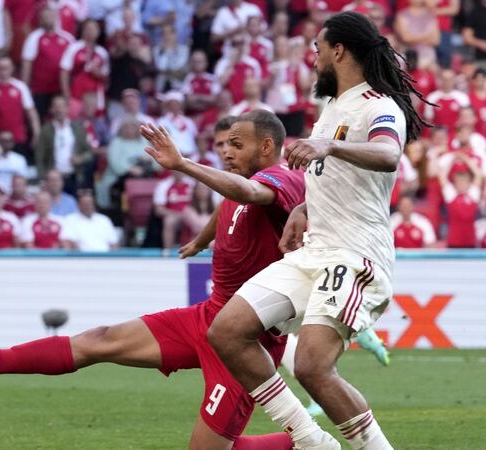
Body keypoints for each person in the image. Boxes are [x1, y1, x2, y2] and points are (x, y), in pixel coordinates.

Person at [0, 112, 301, 450]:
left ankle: (305, 443)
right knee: (100, 339)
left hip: (242, 343)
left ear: (267, 147)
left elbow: (248, 194)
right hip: (208, 317)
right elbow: (232, 201)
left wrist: (182, 165)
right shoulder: (241, 186)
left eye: (236, 145)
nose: (226, 151)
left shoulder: (282, 180)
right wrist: (202, 239)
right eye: (224, 144)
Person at [198, 13, 431, 450]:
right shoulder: (331, 108)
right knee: (227, 330)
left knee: (311, 366)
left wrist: (331, 144)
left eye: (317, 50)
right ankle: (311, 440)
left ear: (338, 51)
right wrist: (304, 207)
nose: (313, 58)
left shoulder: (379, 105)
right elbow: (336, 178)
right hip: (313, 252)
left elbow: (387, 155)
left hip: (354, 255)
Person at [21, 6, 75, 119]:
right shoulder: (34, 38)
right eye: (44, 17)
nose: (48, 19)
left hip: (59, 89)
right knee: (41, 117)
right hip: (40, 90)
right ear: (40, 20)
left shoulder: (67, 38)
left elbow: (74, 64)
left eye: (50, 16)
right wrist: (25, 88)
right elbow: (27, 64)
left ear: (56, 17)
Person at [34, 96, 93, 188]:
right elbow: (40, 157)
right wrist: (42, 178)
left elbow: (89, 152)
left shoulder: (78, 128)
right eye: (56, 107)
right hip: (53, 180)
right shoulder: (46, 130)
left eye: (62, 106)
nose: (59, 110)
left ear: (67, 108)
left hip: (73, 177)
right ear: (52, 110)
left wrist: (80, 158)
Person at [439, 153, 481, 248]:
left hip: (470, 242)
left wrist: (465, 158)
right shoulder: (451, 195)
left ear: (468, 183)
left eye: (464, 181)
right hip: (454, 242)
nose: (461, 184)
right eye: (458, 181)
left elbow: (478, 175)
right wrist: (452, 159)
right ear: (455, 183)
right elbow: (442, 176)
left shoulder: (473, 194)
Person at [153, 171, 194, 250]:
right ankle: (168, 252)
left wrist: (188, 214)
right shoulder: (163, 185)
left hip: (190, 213)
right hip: (172, 214)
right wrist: (176, 214)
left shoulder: (192, 183)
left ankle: (194, 250)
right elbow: (158, 210)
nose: (178, 172)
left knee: (198, 220)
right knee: (169, 221)